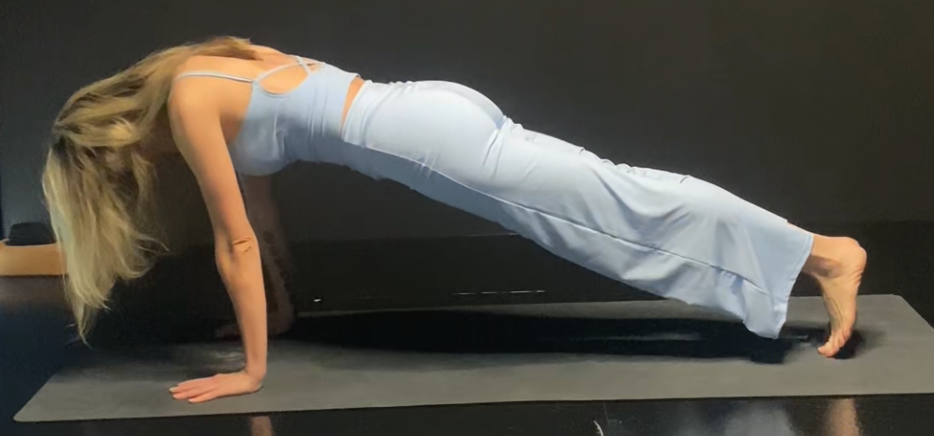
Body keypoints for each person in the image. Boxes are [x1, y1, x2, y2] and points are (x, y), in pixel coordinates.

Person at [41, 36, 866, 403]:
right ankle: (806, 259)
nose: (137, 173)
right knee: (614, 200)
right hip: (426, 113)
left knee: (615, 208)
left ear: (111, 138)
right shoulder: (202, 66)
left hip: (424, 141)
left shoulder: (186, 103)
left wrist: (253, 375)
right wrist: (282, 314)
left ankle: (823, 255)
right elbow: (261, 203)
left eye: (117, 168)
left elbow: (237, 240)